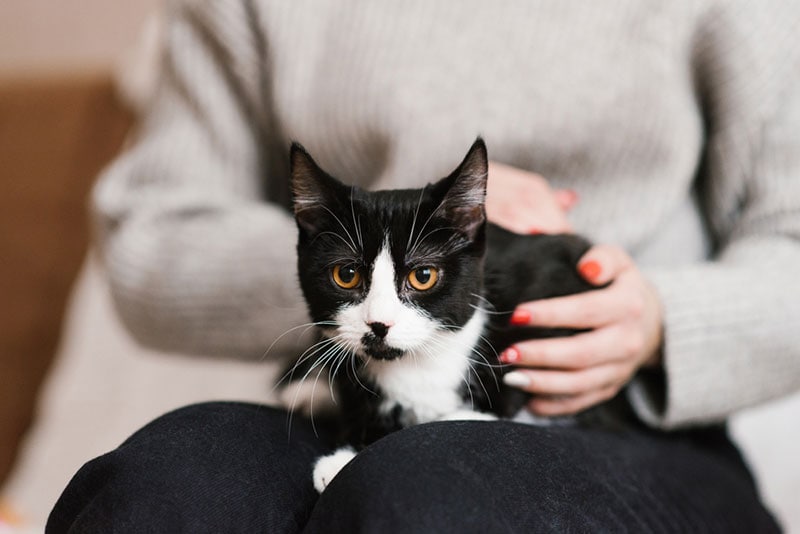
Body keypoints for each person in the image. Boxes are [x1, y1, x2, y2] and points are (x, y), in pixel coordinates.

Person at [47, 0, 800, 532]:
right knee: (159, 492)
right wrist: (365, 250)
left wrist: (664, 319)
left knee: (425, 496)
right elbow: (152, 238)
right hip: (363, 397)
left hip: (632, 427)